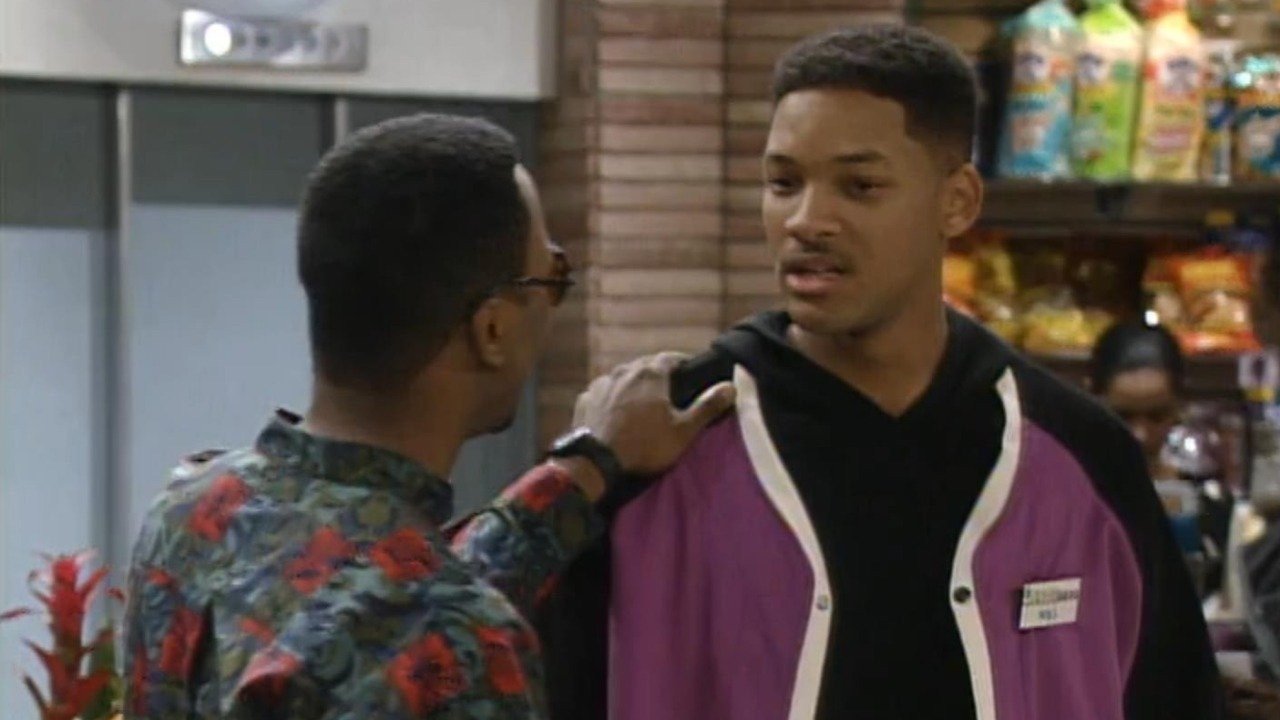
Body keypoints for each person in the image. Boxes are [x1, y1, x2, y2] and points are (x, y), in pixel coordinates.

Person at [538, 25, 1224, 720]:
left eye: (859, 186)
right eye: (783, 183)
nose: (807, 220)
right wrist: (584, 469)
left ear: (957, 201)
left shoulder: (1080, 455)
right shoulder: (666, 438)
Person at [121, 113, 735, 719]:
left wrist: (586, 466)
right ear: (492, 330)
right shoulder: (459, 648)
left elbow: (376, 598)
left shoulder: (192, 514)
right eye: (553, 277)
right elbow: (397, 610)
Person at [1090, 320, 1187, 479]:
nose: (1140, 435)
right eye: (1122, 417)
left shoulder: (1200, 491)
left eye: (1156, 417)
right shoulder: (1060, 489)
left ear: (1177, 409)